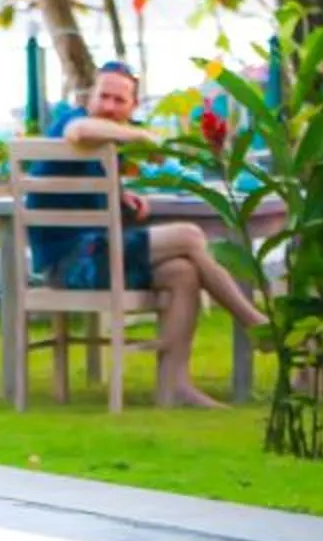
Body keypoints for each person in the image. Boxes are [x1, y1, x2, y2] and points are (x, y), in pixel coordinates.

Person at [28, 62, 267, 409]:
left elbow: (86, 196)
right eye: (103, 97)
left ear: (133, 107)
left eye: (119, 100)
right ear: (88, 98)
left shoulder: (102, 150)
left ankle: (174, 387)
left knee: (184, 272)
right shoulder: (71, 121)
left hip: (94, 256)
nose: (109, 106)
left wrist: (120, 197)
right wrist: (142, 136)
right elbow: (79, 132)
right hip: (70, 265)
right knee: (189, 235)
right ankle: (254, 324)